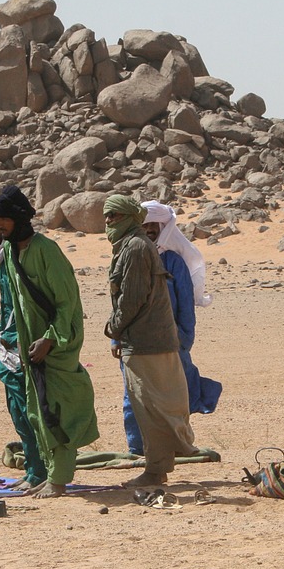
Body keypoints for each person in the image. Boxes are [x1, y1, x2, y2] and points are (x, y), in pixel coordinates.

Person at [0, 185, 100, 498]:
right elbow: (14, 304)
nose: (0, 230)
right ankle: (46, 473)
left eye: (4, 224)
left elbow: (67, 303)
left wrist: (50, 340)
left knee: (59, 411)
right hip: (29, 348)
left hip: (56, 345)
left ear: (18, 219)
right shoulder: (11, 252)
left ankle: (59, 480)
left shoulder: (46, 251)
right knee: (37, 411)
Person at [103, 194, 197, 488]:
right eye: (107, 217)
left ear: (131, 219)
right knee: (150, 405)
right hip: (149, 340)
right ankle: (157, 465)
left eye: (115, 217)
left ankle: (155, 471)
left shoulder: (133, 248)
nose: (109, 223)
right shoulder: (135, 246)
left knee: (150, 407)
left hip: (146, 341)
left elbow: (131, 299)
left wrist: (113, 330)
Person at [118, 200, 222, 454]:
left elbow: (185, 305)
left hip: (170, 340)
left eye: (155, 224)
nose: (150, 229)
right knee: (135, 395)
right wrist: (116, 339)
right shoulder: (128, 257)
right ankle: (138, 449)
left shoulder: (174, 262)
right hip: (134, 340)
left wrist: (183, 340)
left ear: (164, 227)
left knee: (175, 396)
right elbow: (120, 301)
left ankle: (177, 445)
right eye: (145, 224)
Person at [0, 198, 46, 491]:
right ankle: (32, 470)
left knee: (32, 412)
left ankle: (42, 471)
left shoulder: (22, 255)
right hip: (8, 345)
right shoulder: (4, 258)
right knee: (17, 411)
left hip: (25, 345)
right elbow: (6, 306)